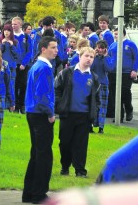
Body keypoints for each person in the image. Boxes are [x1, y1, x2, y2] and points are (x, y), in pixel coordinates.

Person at [22, 36, 58, 205]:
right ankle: (39, 194)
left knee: (36, 153)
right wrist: (50, 113)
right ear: (43, 49)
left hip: (32, 112)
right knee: (44, 155)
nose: (56, 50)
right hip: (40, 113)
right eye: (53, 47)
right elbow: (42, 94)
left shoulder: (36, 65)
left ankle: (29, 192)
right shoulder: (44, 68)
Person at [55, 47, 100, 178]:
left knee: (80, 144)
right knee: (65, 142)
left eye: (92, 57)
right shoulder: (67, 72)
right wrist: (59, 105)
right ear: (80, 56)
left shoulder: (94, 77)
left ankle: (80, 170)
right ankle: (65, 166)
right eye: (87, 56)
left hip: (84, 115)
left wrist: (94, 110)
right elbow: (57, 89)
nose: (89, 59)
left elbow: (96, 98)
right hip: (68, 114)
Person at [107, 28, 138, 122]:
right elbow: (109, 56)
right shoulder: (113, 45)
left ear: (123, 34)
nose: (115, 36)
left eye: (117, 34)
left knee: (125, 92)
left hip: (126, 72)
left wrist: (134, 70)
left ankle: (129, 109)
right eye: (115, 34)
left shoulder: (130, 44)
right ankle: (119, 115)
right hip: (113, 73)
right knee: (114, 94)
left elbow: (136, 57)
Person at [91, 40, 115, 133]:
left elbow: (109, 68)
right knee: (92, 105)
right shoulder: (92, 57)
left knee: (102, 106)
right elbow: (90, 67)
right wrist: (93, 55)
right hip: (93, 83)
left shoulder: (108, 58)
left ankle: (101, 127)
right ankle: (91, 126)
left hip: (104, 83)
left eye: (102, 48)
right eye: (98, 48)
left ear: (105, 49)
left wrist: (105, 57)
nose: (100, 50)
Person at [12, 16, 32, 114]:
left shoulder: (26, 37)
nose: (13, 26)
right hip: (14, 65)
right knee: (14, 85)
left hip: (24, 65)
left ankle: (22, 104)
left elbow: (29, 51)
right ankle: (15, 105)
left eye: (15, 24)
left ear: (20, 24)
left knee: (23, 85)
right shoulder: (11, 36)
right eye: (12, 24)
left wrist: (24, 63)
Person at [0, 24, 19, 103]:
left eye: (8, 30)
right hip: (1, 66)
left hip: (12, 67)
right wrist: (2, 45)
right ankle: (3, 104)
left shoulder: (15, 42)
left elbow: (17, 55)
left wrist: (12, 46)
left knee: (11, 86)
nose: (6, 32)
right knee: (2, 85)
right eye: (5, 30)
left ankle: (11, 104)